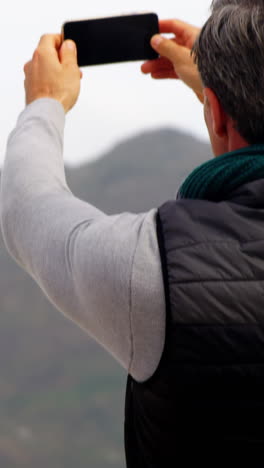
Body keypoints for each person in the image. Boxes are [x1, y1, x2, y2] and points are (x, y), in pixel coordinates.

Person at [2, 1, 264, 466]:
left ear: (216, 114)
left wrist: (44, 103)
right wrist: (217, 90)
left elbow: (28, 210)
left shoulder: (158, 269)